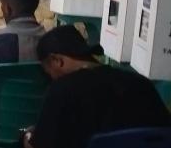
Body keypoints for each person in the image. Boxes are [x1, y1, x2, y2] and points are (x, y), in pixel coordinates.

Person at [23, 25, 171, 148]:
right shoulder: (141, 83)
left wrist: (28, 137)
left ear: (57, 60)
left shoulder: (61, 91)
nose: (50, 78)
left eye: (47, 72)